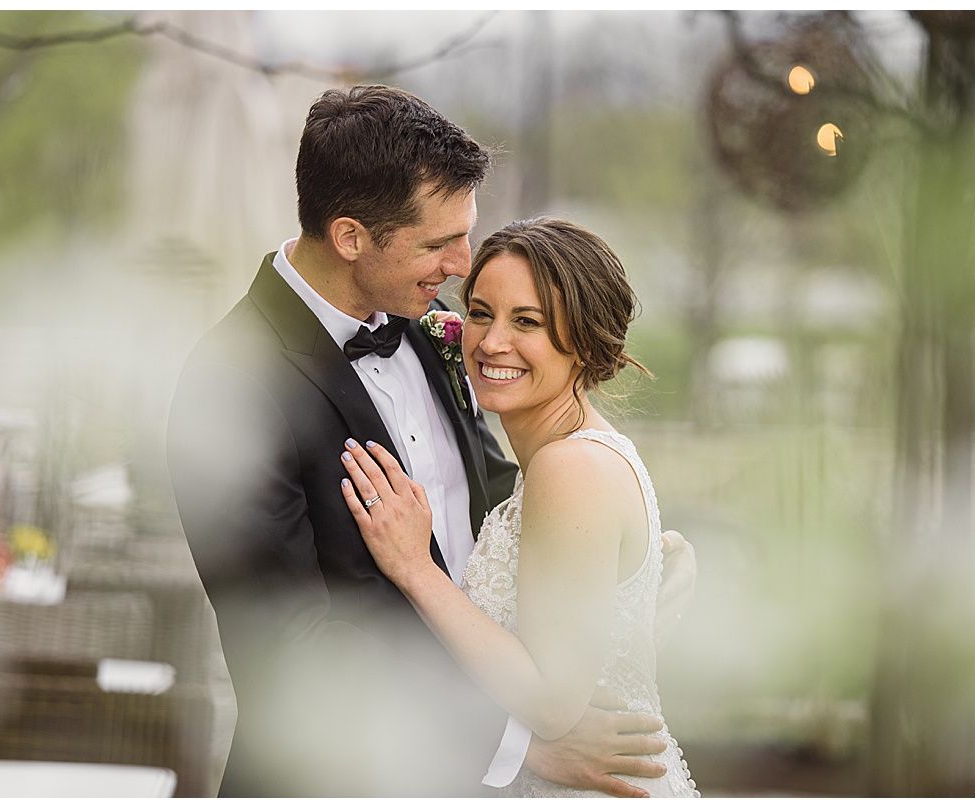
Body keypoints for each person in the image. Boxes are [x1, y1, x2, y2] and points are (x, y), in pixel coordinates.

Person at [167, 84, 687, 797]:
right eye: (438, 243)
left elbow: (498, 503)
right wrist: (519, 745)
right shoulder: (230, 388)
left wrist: (618, 557)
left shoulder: (438, 322)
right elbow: (286, 650)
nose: (461, 264)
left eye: (464, 234)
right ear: (350, 237)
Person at [339, 217, 700, 797]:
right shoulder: (566, 459)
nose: (491, 342)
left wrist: (414, 567)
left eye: (526, 321)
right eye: (480, 313)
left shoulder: (570, 467)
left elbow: (555, 706)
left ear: (584, 342)